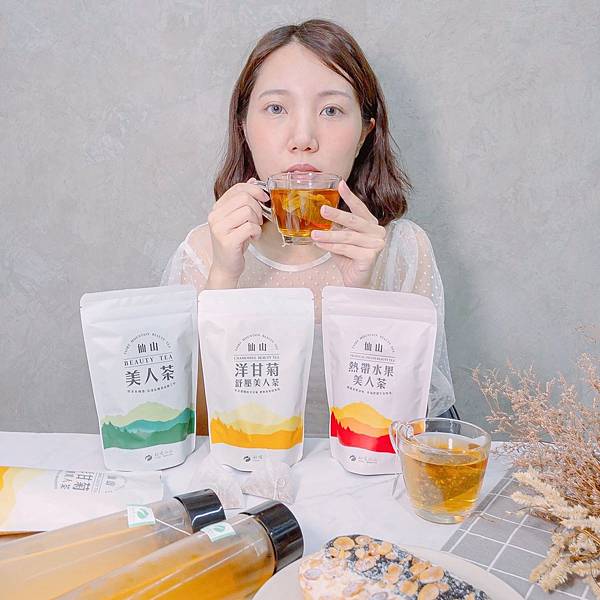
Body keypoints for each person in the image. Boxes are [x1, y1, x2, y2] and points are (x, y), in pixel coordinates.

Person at [162, 19, 457, 435]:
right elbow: (191, 431)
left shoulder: (402, 250)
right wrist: (223, 277)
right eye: (276, 108)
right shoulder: (202, 252)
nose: (303, 138)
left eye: (331, 110)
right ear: (244, 126)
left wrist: (361, 293)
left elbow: (404, 432)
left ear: (365, 132)